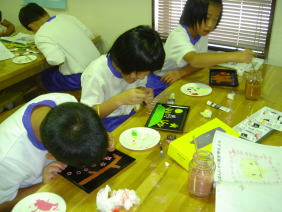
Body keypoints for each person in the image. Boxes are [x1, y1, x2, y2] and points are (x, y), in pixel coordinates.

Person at [0, 93, 110, 206]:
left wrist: (99, 140)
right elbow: (3, 205)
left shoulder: (66, 102)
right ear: (50, 156)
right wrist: (43, 186)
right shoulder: (6, 158)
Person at [147, 0, 255, 95]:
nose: (210, 25)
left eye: (215, 19)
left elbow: (201, 62)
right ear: (193, 14)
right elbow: (195, 60)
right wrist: (235, 56)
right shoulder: (178, 35)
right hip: (160, 82)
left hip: (179, 79)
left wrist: (181, 72)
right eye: (207, 18)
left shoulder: (201, 33)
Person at [80, 25, 165, 132]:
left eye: (147, 73)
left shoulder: (136, 67)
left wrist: (144, 93)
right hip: (106, 121)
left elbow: (140, 86)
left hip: (131, 113)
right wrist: (118, 100)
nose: (142, 77)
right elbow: (87, 115)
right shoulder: (95, 74)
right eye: (139, 74)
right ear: (125, 61)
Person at [18, 3, 100, 92]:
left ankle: (59, 102)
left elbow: (57, 60)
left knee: (43, 77)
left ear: (31, 26)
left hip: (80, 77)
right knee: (54, 71)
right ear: (45, 13)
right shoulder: (67, 18)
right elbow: (90, 36)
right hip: (99, 67)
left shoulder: (41, 35)